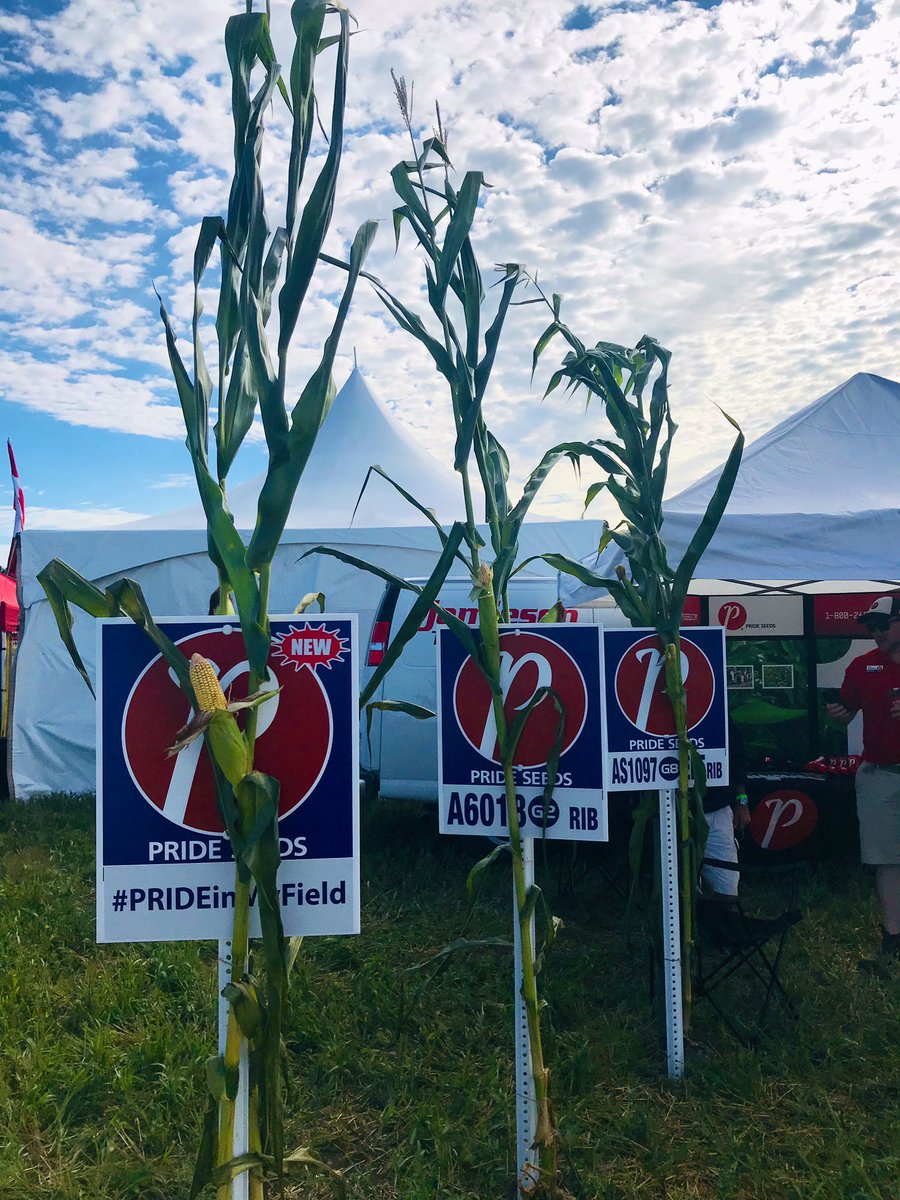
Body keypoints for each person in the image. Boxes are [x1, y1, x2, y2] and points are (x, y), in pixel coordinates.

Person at [826, 595, 900, 973]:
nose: (873, 632)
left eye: (880, 625)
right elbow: (846, 711)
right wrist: (839, 714)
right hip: (881, 773)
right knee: (886, 859)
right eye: (869, 626)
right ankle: (892, 939)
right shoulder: (861, 666)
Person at [700, 717, 750, 899]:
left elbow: (736, 761)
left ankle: (717, 923)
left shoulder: (717, 713)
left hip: (717, 808)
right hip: (671, 812)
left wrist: (742, 801)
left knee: (727, 891)